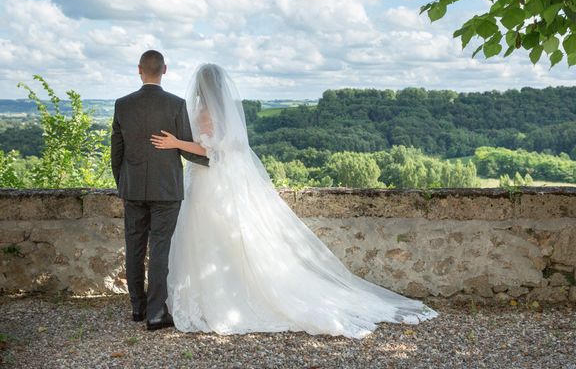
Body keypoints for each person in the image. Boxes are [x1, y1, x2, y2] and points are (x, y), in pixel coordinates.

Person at [150, 63, 438, 338]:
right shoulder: (224, 109)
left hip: (209, 183)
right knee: (219, 238)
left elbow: (208, 149)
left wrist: (175, 143)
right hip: (216, 181)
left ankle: (216, 296)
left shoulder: (204, 112)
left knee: (207, 237)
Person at [110, 50, 209, 331]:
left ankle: (137, 309)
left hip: (132, 190)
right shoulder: (176, 105)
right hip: (166, 190)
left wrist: (124, 184)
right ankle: (156, 313)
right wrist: (214, 160)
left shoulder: (122, 105)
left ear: (139, 69)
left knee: (135, 248)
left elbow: (116, 153)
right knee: (160, 249)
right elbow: (186, 148)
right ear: (164, 69)